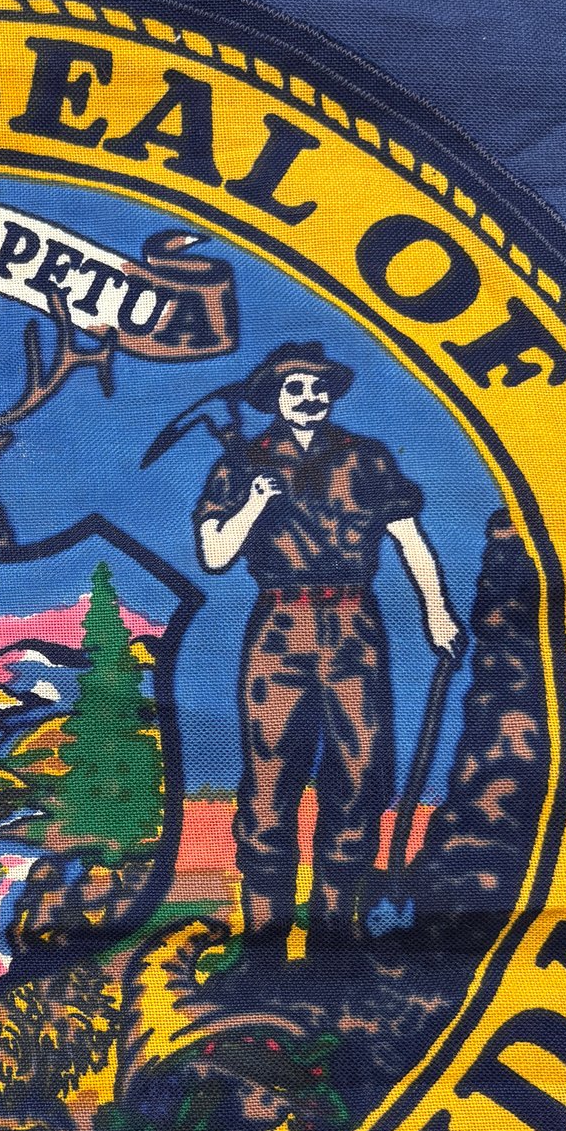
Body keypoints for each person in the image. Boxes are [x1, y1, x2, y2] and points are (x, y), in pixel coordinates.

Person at [193, 340, 461, 955]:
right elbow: (214, 555)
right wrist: (254, 504)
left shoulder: (367, 458)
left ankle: (336, 944)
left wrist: (437, 610)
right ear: (275, 396)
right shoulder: (242, 464)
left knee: (361, 775)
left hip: (354, 629)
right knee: (270, 780)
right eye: (296, 388)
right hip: (279, 629)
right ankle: (263, 946)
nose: (309, 398)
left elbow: (410, 539)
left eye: (319, 388)